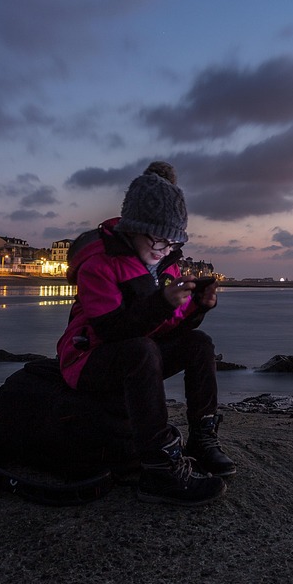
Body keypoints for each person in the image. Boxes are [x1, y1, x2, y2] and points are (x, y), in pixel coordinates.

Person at [56, 162, 234, 506]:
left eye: (172, 241)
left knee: (199, 344)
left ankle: (202, 437)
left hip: (135, 352)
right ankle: (158, 468)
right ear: (134, 227)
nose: (163, 248)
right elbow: (109, 331)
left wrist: (197, 307)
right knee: (142, 351)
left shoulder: (166, 263)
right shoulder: (99, 263)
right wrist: (161, 304)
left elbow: (168, 327)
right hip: (86, 358)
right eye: (157, 237)